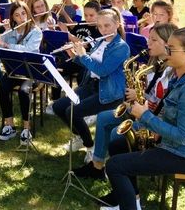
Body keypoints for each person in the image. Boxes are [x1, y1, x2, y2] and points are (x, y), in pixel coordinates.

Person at [105, 25, 185, 210]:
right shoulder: (179, 77)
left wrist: (145, 116)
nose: (166, 51)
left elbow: (184, 137)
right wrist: (155, 129)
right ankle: (131, 200)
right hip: (177, 147)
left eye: (171, 48)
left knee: (114, 166)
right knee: (118, 144)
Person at [72, 23, 177, 180]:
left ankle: (124, 175)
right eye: (149, 38)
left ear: (168, 43)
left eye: (153, 40)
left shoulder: (173, 70)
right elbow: (150, 93)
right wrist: (135, 98)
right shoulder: (153, 64)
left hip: (156, 120)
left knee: (117, 133)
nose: (148, 43)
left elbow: (164, 103)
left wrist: (140, 96)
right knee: (103, 117)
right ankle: (97, 166)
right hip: (143, 111)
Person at [52, 8, 129, 154]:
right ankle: (82, 136)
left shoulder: (121, 47)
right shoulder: (100, 43)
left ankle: (90, 146)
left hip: (108, 91)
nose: (103, 30)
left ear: (117, 24)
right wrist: (74, 55)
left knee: (72, 112)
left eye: (107, 26)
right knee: (58, 107)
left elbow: (102, 70)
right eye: (100, 26)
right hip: (91, 86)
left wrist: (83, 56)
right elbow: (91, 65)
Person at [0, 1, 42, 145]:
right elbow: (0, 55)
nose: (21, 18)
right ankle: (10, 125)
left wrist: (6, 44)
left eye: (24, 13)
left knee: (23, 91)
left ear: (28, 14)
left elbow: (28, 49)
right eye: (17, 15)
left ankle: (27, 128)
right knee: (3, 88)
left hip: (31, 71)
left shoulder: (36, 31)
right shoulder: (10, 32)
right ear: (13, 18)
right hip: (14, 70)